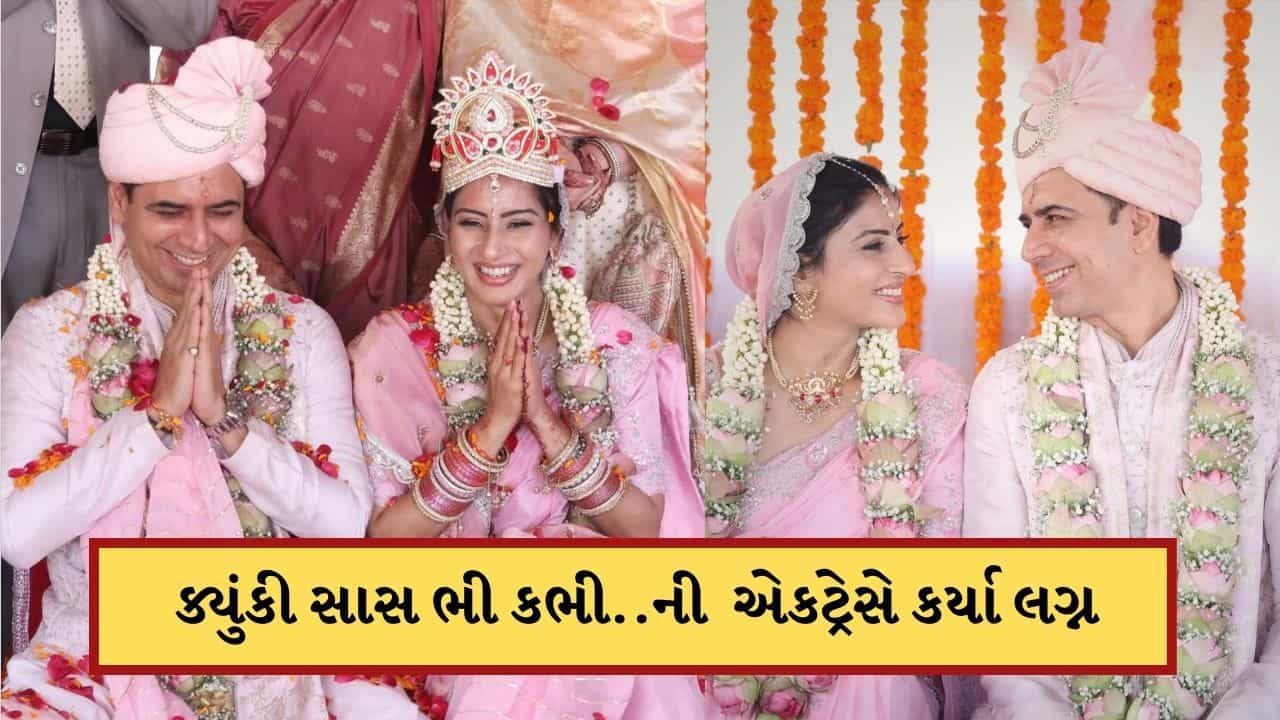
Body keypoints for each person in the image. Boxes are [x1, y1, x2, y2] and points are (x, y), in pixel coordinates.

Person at [0, 37, 371, 718]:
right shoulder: (50, 333)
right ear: (119, 202)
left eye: (222, 211)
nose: (199, 240)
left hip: (272, 663)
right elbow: (18, 533)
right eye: (170, 211)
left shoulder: (300, 332)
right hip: (91, 663)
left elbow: (345, 524)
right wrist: (156, 419)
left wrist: (229, 427)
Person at [333, 51, 705, 719]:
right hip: (448, 615)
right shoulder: (394, 346)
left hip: (590, 613)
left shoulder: (613, 341)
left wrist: (551, 427)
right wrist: (492, 428)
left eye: (519, 223)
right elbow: (386, 539)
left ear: (554, 231)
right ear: (445, 230)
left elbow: (646, 530)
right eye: (472, 222)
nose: (493, 250)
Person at [964, 42, 1279, 720]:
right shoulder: (1008, 388)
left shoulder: (1266, 383)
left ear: (1137, 222)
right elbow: (997, 608)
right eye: (1029, 222)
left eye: (1056, 217)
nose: (1030, 247)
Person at [701, 152, 968, 719]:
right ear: (799, 268)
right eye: (874, 245)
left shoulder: (928, 394)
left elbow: (945, 587)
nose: (906, 264)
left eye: (901, 240)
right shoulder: (701, 391)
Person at [438, 0, 709, 404]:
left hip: (627, 203)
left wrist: (609, 158)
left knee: (621, 387)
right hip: (512, 191)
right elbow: (472, 68)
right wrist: (534, 153)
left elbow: (688, 90)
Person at [155, 0, 445, 342]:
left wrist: (440, 239)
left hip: (375, 246)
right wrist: (239, 242)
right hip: (234, 236)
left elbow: (469, 107)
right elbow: (179, 107)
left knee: (364, 366)